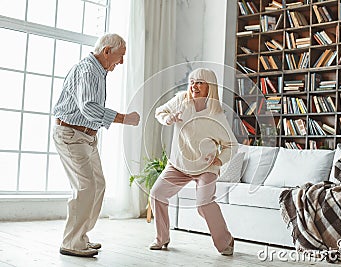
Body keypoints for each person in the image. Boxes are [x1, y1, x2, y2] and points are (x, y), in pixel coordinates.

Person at [53, 33, 140, 258]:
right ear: (107, 51)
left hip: (86, 137)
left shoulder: (98, 71)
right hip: (71, 134)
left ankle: (80, 236)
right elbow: (89, 108)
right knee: (86, 187)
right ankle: (71, 241)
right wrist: (124, 118)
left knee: (98, 185)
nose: (121, 62)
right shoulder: (88, 70)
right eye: (120, 56)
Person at [150, 68, 237, 256]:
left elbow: (232, 145)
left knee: (204, 204)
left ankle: (226, 242)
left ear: (209, 87)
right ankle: (162, 238)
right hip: (179, 164)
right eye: (192, 81)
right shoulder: (182, 100)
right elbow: (160, 111)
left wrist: (219, 159)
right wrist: (168, 118)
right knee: (157, 194)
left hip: (207, 167)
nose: (193, 86)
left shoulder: (216, 115)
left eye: (199, 82)